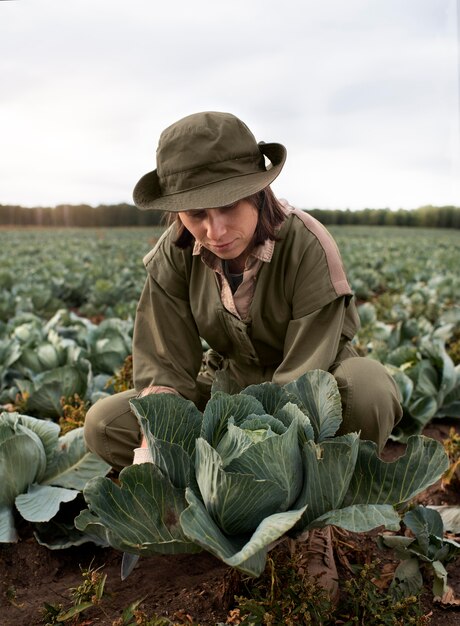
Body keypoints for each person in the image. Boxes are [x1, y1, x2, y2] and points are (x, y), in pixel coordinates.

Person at [84, 111, 402, 600]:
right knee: (108, 424)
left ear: (258, 192)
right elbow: (164, 366)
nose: (214, 230)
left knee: (370, 388)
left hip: (319, 390)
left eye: (227, 207)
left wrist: (263, 460)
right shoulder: (174, 254)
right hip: (229, 386)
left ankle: (315, 525)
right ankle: (207, 515)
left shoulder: (307, 245)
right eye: (195, 215)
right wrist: (155, 441)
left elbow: (304, 384)